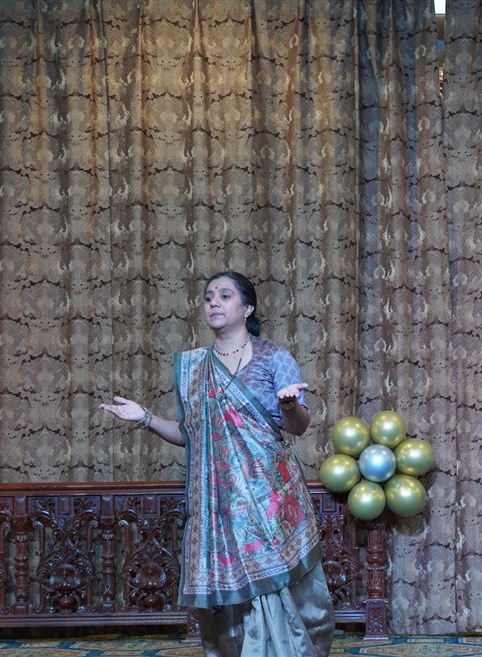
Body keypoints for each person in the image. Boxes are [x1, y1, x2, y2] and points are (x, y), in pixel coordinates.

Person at [101, 271, 334, 657]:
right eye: (209, 296)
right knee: (234, 592)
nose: (213, 302)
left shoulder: (274, 356)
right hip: (219, 504)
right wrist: (145, 417)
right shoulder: (195, 368)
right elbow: (189, 435)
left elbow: (298, 427)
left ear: (247, 308)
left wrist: (289, 405)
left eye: (225, 296)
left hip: (268, 495)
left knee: (275, 582)